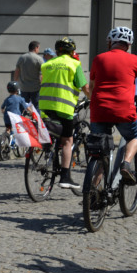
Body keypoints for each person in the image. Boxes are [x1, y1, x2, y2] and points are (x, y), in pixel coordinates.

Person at [88, 26, 137, 184]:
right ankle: (126, 163)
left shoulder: (99, 58)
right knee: (134, 136)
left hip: (99, 110)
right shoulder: (135, 60)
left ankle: (92, 193)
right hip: (123, 109)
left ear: (110, 42)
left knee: (100, 151)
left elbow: (92, 86)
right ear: (129, 45)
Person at [38, 37, 91, 189]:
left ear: (57, 51)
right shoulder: (74, 64)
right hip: (64, 107)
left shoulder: (47, 64)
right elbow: (85, 87)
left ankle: (48, 150)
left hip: (45, 105)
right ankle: (65, 177)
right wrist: (93, 100)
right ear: (72, 51)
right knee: (68, 141)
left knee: (52, 130)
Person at [13, 41, 43, 106]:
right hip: (35, 88)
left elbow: (17, 72)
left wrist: (15, 83)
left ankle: (22, 115)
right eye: (38, 48)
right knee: (36, 107)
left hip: (23, 87)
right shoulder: (39, 59)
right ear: (36, 48)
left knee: (23, 106)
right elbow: (42, 75)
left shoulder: (22, 58)